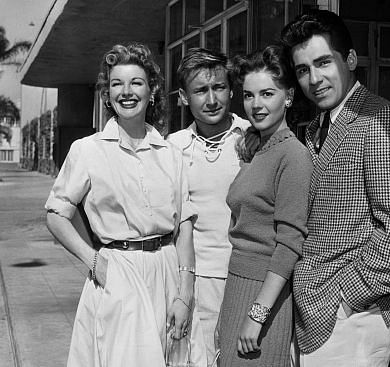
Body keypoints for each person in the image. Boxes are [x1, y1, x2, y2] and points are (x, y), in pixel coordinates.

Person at [280, 10, 390, 366]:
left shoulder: (382, 120)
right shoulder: (317, 125)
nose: (314, 79)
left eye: (323, 62)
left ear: (349, 59)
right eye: (303, 69)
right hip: (314, 315)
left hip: (353, 318)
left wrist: (345, 296)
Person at [45, 43, 196, 367]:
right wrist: (94, 261)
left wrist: (185, 291)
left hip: (167, 271)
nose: (127, 92)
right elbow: (56, 215)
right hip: (119, 272)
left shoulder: (170, 153)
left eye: (136, 83)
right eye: (117, 84)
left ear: (152, 90)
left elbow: (184, 227)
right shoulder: (88, 150)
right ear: (107, 94)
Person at [218, 45, 313, 367]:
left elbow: (289, 244)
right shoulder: (259, 148)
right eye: (248, 95)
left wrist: (257, 315)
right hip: (237, 284)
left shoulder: (293, 156)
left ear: (288, 97)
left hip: (263, 294)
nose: (256, 105)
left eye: (267, 94)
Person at [168, 47, 251, 366]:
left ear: (231, 88)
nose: (212, 99)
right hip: (191, 281)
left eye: (219, 87)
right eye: (201, 90)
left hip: (242, 276)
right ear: (184, 96)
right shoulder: (172, 147)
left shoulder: (252, 138)